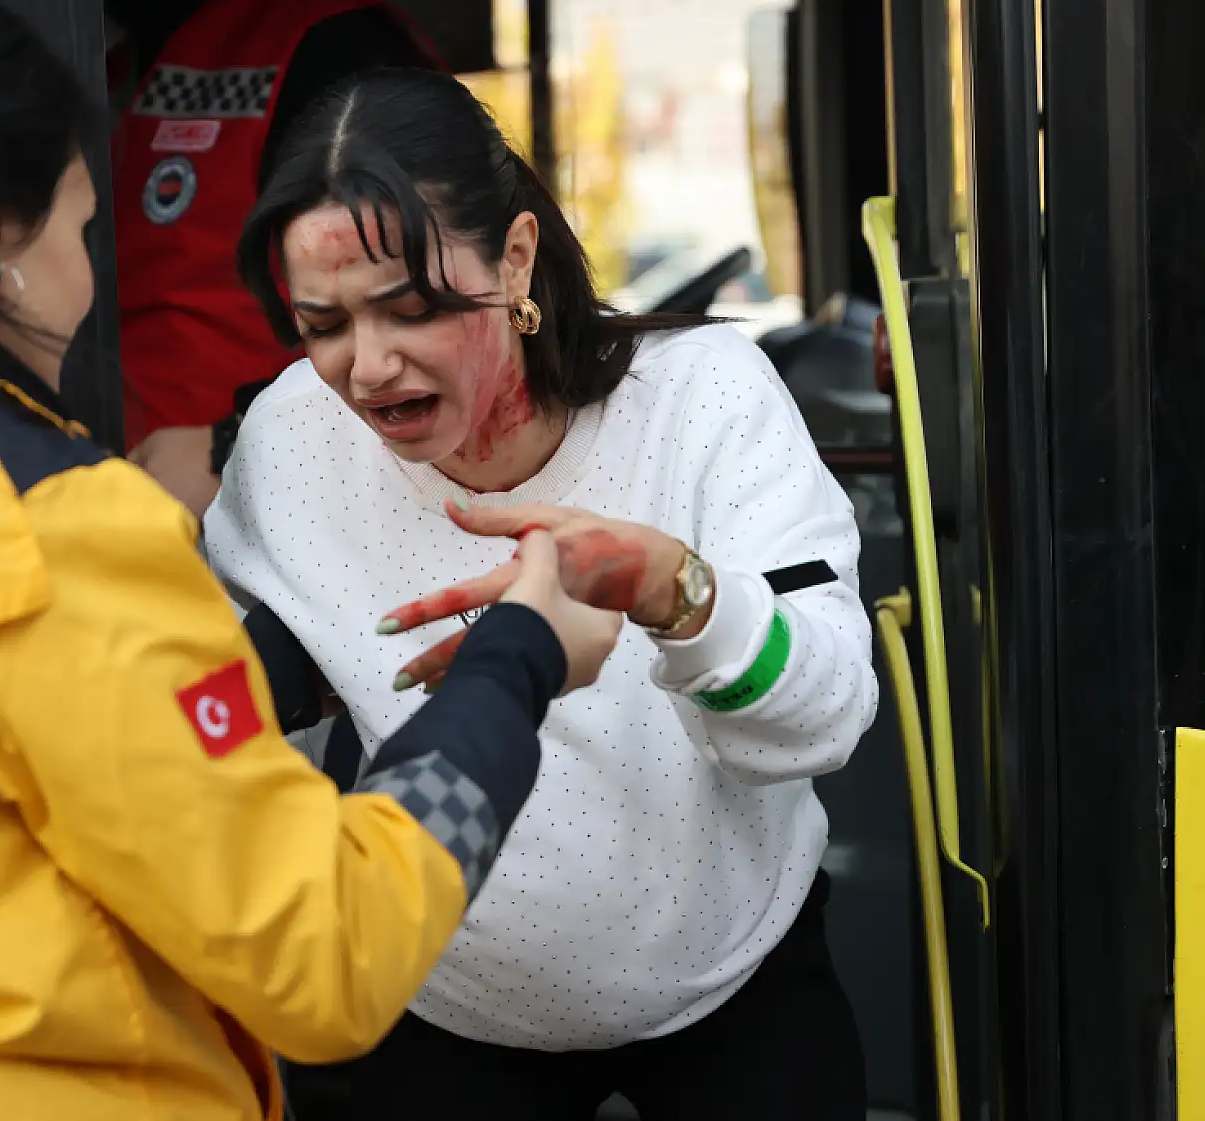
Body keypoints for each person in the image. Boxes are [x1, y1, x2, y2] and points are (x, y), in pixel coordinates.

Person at [0, 7, 621, 1120]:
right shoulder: (46, 527)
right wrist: (516, 657)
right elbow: (325, 952)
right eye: (86, 227)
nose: (94, 266)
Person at [204, 68, 879, 1120]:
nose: (367, 368)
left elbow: (824, 717)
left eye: (410, 306)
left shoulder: (701, 395)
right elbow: (236, 731)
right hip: (434, 1005)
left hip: (731, 980)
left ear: (515, 257)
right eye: (320, 323)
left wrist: (673, 591)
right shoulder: (294, 435)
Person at [106, 0, 440, 515]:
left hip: (269, 505)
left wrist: (230, 442)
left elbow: (418, 327)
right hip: (125, 498)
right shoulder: (101, 47)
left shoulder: (326, 44)